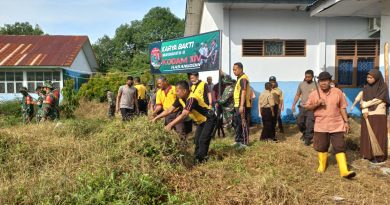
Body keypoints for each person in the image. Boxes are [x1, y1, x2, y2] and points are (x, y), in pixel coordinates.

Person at [304, 71, 356, 179]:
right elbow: (307, 107)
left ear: (330, 81)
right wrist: (317, 103)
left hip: (336, 124)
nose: (323, 83)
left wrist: (346, 122)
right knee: (321, 146)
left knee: (339, 146)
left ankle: (344, 170)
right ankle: (322, 166)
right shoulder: (314, 94)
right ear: (318, 82)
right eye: (321, 81)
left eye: (325, 80)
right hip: (321, 125)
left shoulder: (337, 92)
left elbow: (342, 107)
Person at [153, 81, 216, 163]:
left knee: (203, 140)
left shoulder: (192, 99)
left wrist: (170, 125)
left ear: (184, 91)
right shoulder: (180, 99)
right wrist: (156, 118)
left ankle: (202, 161)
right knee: (197, 140)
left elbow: (184, 114)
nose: (176, 93)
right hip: (201, 121)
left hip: (209, 119)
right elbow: (169, 110)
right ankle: (197, 158)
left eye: (178, 91)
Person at [360, 69, 389, 164]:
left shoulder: (383, 87)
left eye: (370, 77)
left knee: (378, 134)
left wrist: (365, 105)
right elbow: (362, 101)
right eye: (367, 77)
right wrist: (364, 110)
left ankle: (378, 156)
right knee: (367, 134)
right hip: (367, 114)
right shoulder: (366, 87)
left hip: (379, 114)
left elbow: (379, 99)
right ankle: (368, 155)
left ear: (376, 78)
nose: (368, 79)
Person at [151, 76, 188, 141]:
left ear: (165, 82)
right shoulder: (159, 92)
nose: (158, 85)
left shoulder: (174, 88)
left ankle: (183, 146)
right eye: (158, 84)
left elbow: (182, 100)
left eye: (160, 83)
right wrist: (153, 114)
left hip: (178, 113)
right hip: (167, 114)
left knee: (180, 130)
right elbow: (159, 106)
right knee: (169, 132)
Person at [292, 70, 316, 146]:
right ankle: (304, 133)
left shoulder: (317, 85)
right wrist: (293, 104)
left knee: (310, 123)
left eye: (309, 77)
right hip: (302, 107)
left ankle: (308, 138)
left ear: (312, 77)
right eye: (306, 76)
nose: (307, 78)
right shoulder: (301, 84)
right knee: (299, 122)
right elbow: (297, 95)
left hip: (312, 108)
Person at [233, 62, 251, 147]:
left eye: (235, 69)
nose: (234, 71)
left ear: (240, 69)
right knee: (238, 123)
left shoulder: (243, 79)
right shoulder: (239, 78)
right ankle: (238, 141)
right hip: (237, 105)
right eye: (233, 69)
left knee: (244, 124)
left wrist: (241, 106)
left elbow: (243, 92)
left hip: (242, 105)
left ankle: (245, 143)